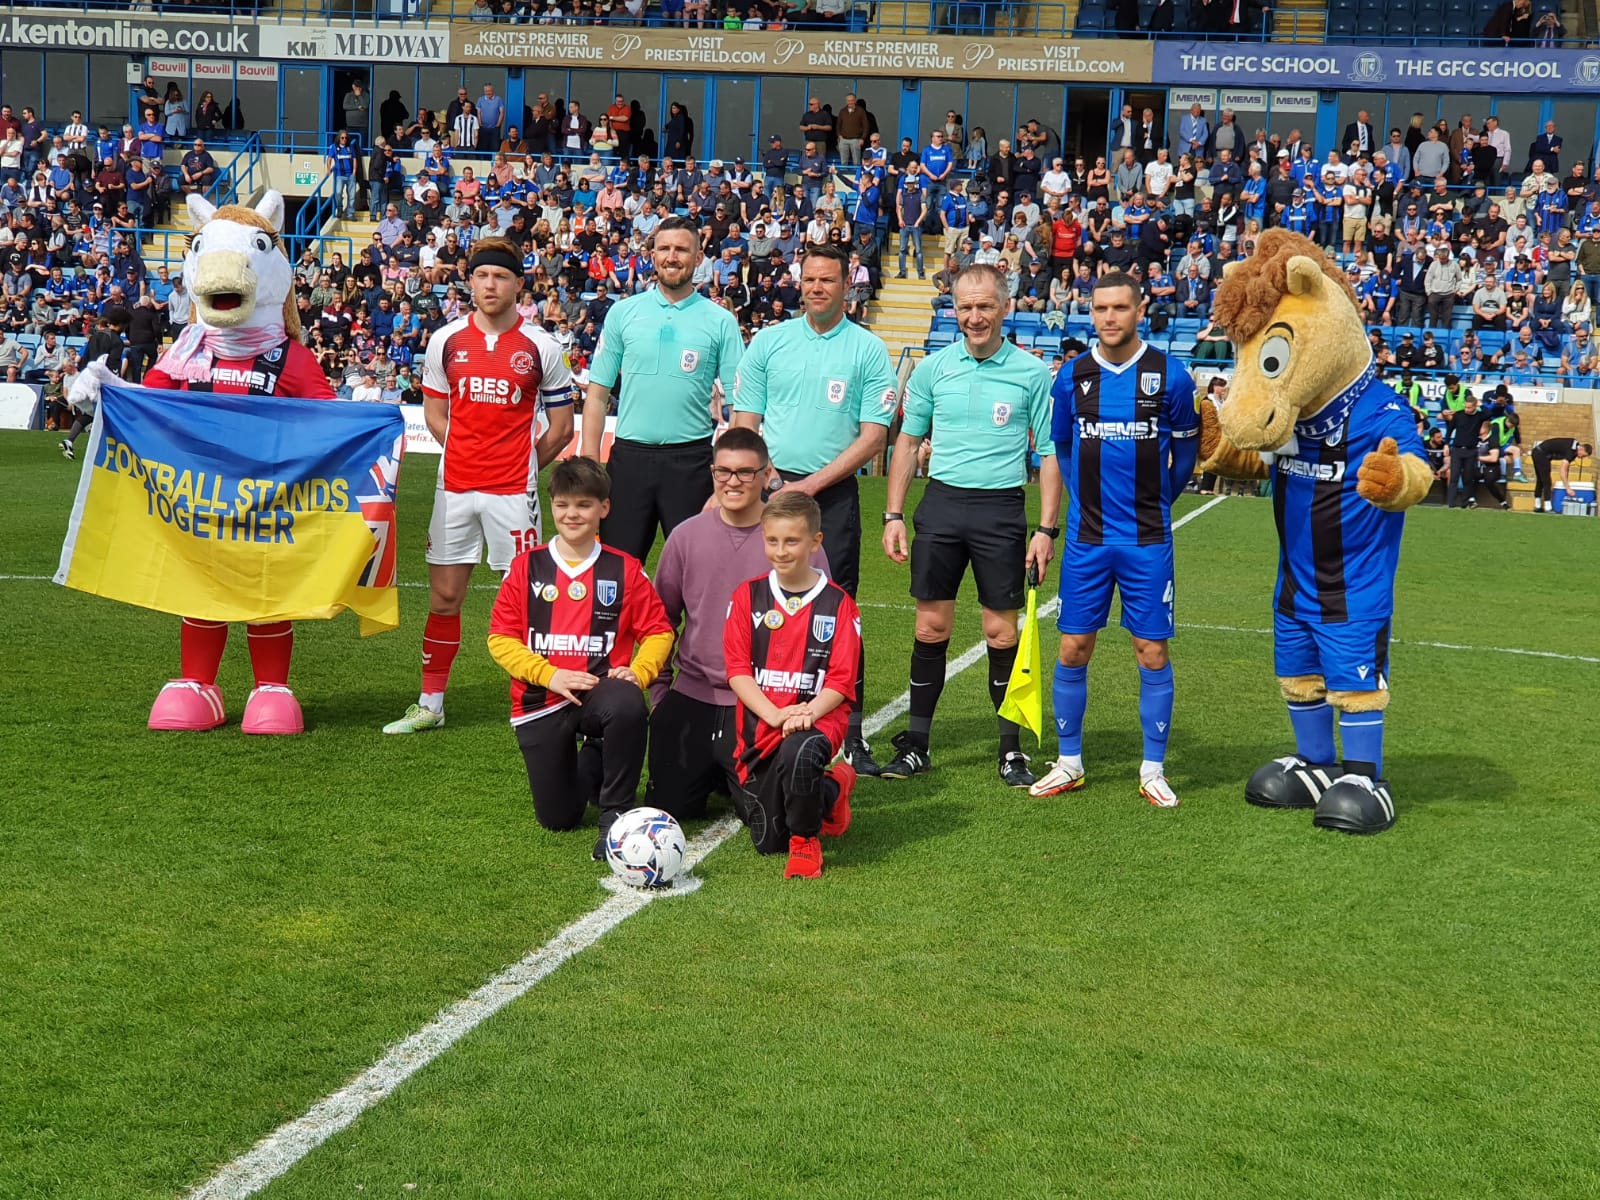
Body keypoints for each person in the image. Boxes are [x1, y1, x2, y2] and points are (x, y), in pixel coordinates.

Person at [877, 264, 1061, 788]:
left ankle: (1010, 750)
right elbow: (908, 444)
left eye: (984, 306)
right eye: (965, 307)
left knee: (1001, 631)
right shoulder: (933, 369)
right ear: (953, 310)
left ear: (1005, 306)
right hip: (941, 506)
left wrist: (1045, 529)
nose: (974, 316)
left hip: (1000, 511)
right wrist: (893, 515)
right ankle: (916, 744)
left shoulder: (1030, 374)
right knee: (929, 627)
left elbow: (1048, 454)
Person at [383, 238, 575, 735]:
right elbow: (434, 412)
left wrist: (523, 464)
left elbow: (561, 428)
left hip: (514, 492)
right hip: (453, 488)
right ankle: (430, 703)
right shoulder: (445, 340)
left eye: (502, 277)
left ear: (519, 285)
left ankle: (539, 699)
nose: (491, 285)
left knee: (531, 599)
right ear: (470, 281)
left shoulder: (543, 347)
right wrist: (465, 450)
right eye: (483, 276)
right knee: (445, 597)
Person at [1029, 272, 1199, 808]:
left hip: (1147, 540)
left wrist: (1157, 501)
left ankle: (1152, 768)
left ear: (1139, 309)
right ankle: (1069, 763)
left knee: (1150, 652)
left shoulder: (1172, 378)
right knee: (1074, 646)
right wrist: (1072, 510)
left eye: (1120, 308)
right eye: (1100, 308)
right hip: (1087, 538)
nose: (1109, 317)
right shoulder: (1072, 376)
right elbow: (1059, 446)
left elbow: (1186, 458)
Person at [731, 242, 898, 776]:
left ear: (847, 286)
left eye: (828, 280)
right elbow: (745, 421)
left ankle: (849, 734)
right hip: (769, 491)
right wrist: (769, 479)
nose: (817, 289)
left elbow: (874, 437)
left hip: (831, 497)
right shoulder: (770, 342)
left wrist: (806, 486)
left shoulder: (867, 350)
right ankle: (755, 719)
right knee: (761, 605)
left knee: (838, 614)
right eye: (809, 280)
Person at [486, 457, 674, 855]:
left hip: (599, 692)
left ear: (603, 508)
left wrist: (639, 671)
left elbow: (658, 630)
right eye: (563, 505)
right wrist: (549, 674)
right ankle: (595, 756)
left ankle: (615, 819)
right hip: (541, 698)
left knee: (625, 703)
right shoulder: (526, 567)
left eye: (584, 505)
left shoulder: (625, 570)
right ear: (551, 506)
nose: (572, 514)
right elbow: (500, 638)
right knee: (558, 818)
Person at [644, 427, 828, 821]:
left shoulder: (791, 540)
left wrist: (801, 706)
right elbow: (660, 621)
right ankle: (711, 771)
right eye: (723, 471)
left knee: (768, 820)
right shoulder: (686, 536)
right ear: (712, 473)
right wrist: (660, 695)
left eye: (745, 472)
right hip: (693, 695)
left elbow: (821, 627)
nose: (733, 481)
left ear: (765, 475)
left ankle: (826, 786)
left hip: (764, 701)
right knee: (670, 810)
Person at [582, 215, 744, 561]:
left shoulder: (721, 321)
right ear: (652, 255)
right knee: (616, 576)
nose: (672, 257)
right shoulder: (623, 313)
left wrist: (732, 474)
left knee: (698, 577)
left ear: (699, 258)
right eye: (664, 249)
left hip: (692, 463)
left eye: (682, 250)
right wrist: (590, 466)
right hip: (628, 462)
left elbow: (741, 404)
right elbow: (597, 395)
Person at [724, 491, 862, 880]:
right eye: (772, 541)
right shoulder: (747, 596)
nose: (781, 551)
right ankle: (833, 789)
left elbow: (840, 680)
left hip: (818, 720)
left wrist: (807, 714)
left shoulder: (838, 605)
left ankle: (806, 844)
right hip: (763, 726)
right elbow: (737, 670)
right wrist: (774, 713)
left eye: (792, 541)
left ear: (815, 542)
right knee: (768, 840)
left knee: (799, 753)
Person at [1530, 436, 1592, 511]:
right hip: (1540, 453)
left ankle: (1537, 506)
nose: (1582, 457)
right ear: (1581, 449)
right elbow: (1563, 470)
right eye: (1583, 455)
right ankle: (1548, 507)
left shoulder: (1574, 449)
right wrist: (1568, 488)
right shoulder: (1571, 450)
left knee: (1541, 480)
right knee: (1546, 481)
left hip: (1539, 453)